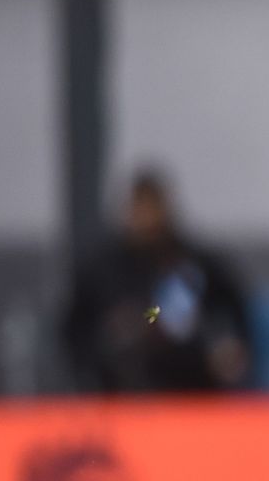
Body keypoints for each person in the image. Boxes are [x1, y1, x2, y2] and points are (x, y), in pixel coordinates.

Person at [62, 167, 253, 393]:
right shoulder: (102, 270)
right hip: (122, 391)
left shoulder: (196, 264)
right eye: (140, 208)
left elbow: (233, 315)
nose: (148, 219)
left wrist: (227, 347)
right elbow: (76, 331)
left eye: (154, 208)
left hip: (191, 385)